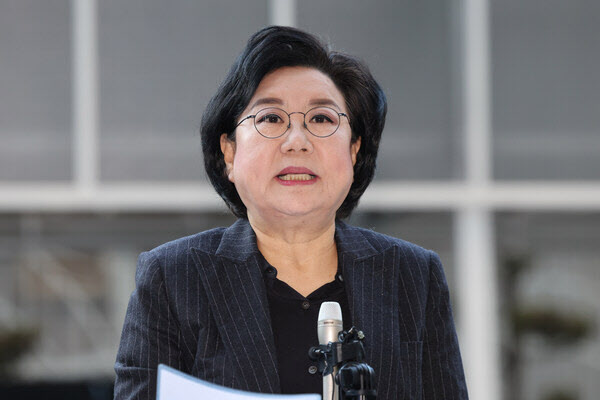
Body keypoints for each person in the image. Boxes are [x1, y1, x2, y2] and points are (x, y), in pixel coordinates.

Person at [114, 26, 468, 400]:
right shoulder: (173, 278)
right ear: (229, 153)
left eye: (321, 119)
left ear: (353, 150)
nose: (297, 142)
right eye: (271, 118)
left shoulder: (412, 276)